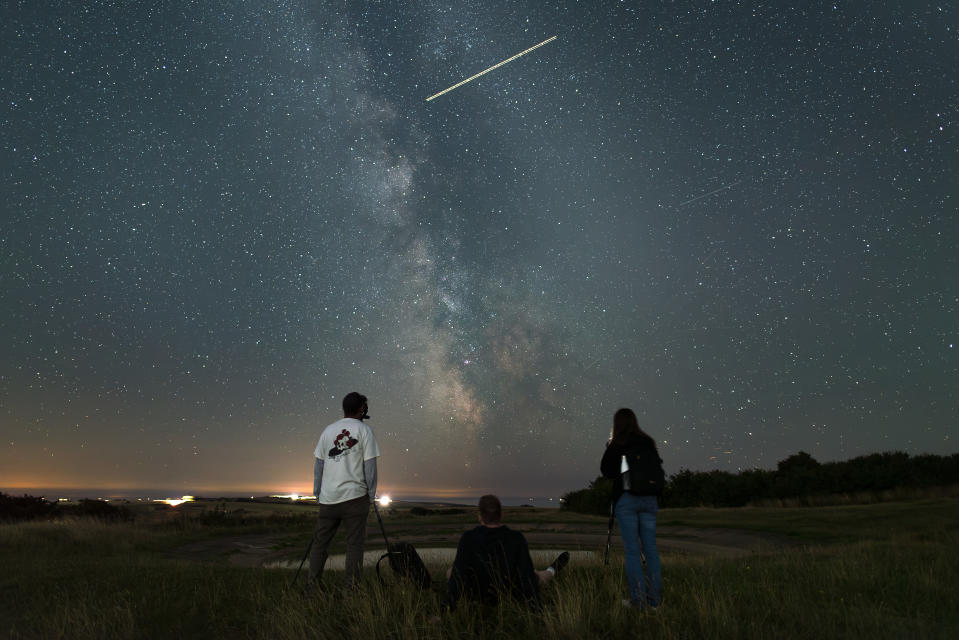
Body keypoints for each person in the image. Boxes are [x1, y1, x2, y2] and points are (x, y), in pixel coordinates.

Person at [442, 494, 569, 611]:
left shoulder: (468, 538)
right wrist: (536, 606)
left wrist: (447, 607)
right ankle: (552, 569)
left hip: (476, 592)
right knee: (540, 576)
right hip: (511, 590)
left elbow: (458, 572)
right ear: (501, 515)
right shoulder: (516, 538)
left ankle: (552, 568)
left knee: (451, 572)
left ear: (479, 516)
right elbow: (526, 574)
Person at [307, 391, 380, 591]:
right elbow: (370, 468)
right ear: (361, 409)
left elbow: (318, 466)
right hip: (355, 498)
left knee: (320, 544)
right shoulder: (365, 431)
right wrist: (371, 495)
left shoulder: (327, 431)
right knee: (354, 545)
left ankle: (312, 587)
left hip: (328, 499)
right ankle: (351, 589)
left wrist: (317, 492)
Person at [600, 408, 664, 610]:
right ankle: (655, 601)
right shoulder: (648, 442)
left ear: (617, 423)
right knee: (651, 550)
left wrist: (610, 447)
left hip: (627, 500)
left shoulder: (618, 442)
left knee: (633, 552)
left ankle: (639, 602)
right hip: (650, 500)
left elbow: (607, 471)